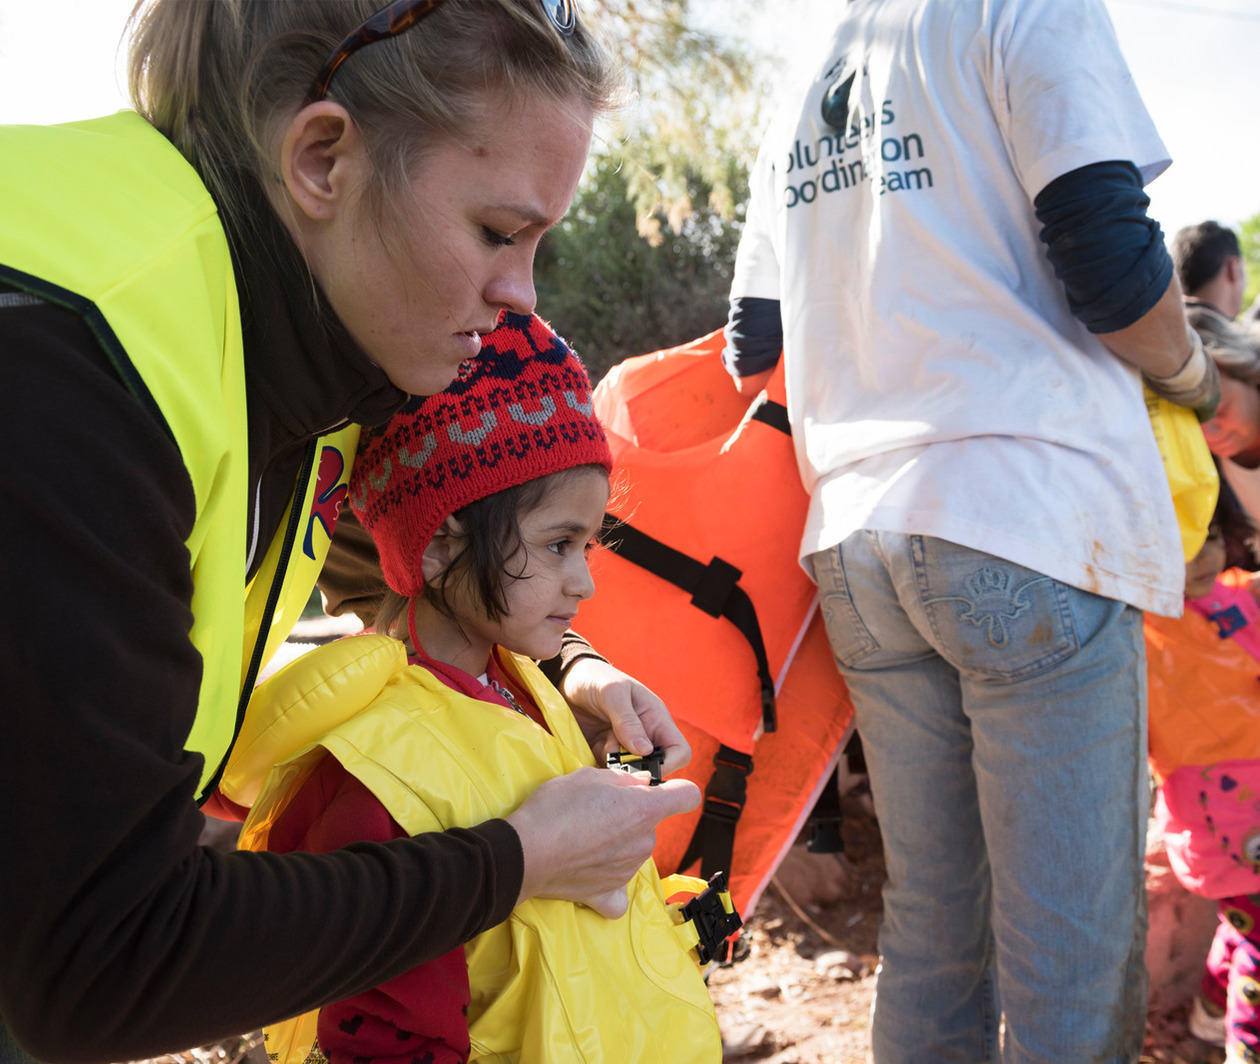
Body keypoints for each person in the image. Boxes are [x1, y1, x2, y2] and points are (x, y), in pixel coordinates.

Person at [0, 3, 700, 1061]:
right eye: (498, 232)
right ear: (324, 158)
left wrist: (573, 666)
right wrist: (511, 861)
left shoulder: (301, 351)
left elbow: (413, 578)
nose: (522, 296)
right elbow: (97, 969)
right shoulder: (71, 360)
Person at [722, 0, 1217, 1059]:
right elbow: (1117, 273)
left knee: (937, 939)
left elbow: (748, 342)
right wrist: (1202, 378)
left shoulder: (811, 63)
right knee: (1070, 968)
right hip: (1026, 518)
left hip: (857, 536)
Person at [225, 313, 724, 1062]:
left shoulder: (519, 685)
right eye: (559, 545)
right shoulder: (378, 774)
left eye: (588, 546)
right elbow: (387, 1038)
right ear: (439, 544)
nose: (584, 581)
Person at [1145, 478, 1260, 1061]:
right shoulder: (1137, 630)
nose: (1200, 553)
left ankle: (1212, 1014)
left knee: (1247, 932)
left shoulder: (1236, 597)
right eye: (1178, 540)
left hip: (1246, 813)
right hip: (1224, 831)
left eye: (1209, 534)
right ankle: (1246, 1046)